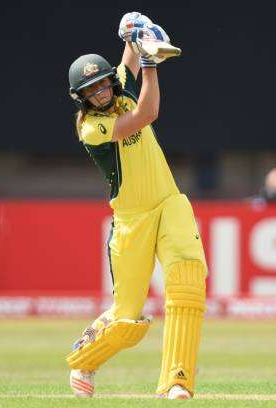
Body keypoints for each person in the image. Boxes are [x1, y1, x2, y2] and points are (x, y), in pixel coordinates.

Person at [64, 12, 207, 400]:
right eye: (90, 91)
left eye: (102, 85)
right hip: (131, 221)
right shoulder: (92, 129)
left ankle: (177, 380)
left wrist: (131, 29)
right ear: (83, 98)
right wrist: (150, 65)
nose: (100, 94)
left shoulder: (120, 85)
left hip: (169, 202)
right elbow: (147, 114)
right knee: (127, 320)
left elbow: (127, 57)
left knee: (188, 283)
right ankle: (85, 357)